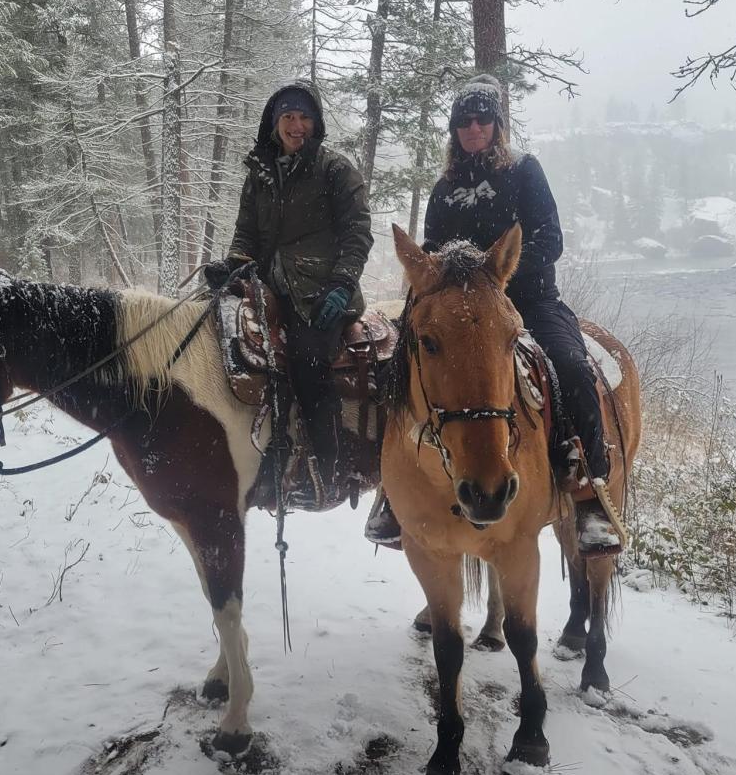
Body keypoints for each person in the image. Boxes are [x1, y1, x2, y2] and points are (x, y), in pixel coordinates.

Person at [365, 74, 618, 557]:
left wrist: (495, 277)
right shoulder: (444, 188)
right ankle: (391, 489)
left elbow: (549, 239)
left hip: (525, 301)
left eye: (483, 119)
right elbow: (434, 253)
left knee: (570, 364)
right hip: (458, 313)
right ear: (454, 130)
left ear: (497, 125)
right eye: (464, 121)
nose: (474, 128)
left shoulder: (524, 171)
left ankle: (589, 492)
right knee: (396, 366)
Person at [205, 80, 373, 500]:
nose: (296, 126)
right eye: (288, 117)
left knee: (308, 358)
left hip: (322, 295)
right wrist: (233, 267)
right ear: (274, 123)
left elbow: (358, 233)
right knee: (225, 344)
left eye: (303, 117)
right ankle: (260, 452)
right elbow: (246, 234)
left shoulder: (335, 169)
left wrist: (341, 284)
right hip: (269, 288)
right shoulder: (260, 173)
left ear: (314, 123)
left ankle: (329, 466)